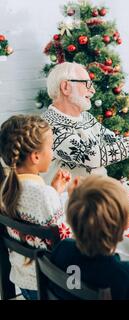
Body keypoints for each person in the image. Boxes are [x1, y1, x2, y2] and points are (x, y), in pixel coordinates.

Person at [40, 62, 129, 181]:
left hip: (97, 194)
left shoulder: (86, 117)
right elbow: (90, 156)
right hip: (73, 204)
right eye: (87, 84)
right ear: (65, 87)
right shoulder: (49, 125)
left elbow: (115, 142)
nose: (92, 90)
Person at [0, 115, 73, 300]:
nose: (53, 152)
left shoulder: (8, 186)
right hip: (51, 286)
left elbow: (40, 221)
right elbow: (65, 241)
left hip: (24, 283)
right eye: (51, 147)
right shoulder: (43, 194)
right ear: (36, 156)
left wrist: (54, 192)